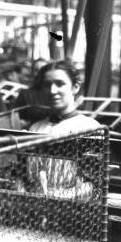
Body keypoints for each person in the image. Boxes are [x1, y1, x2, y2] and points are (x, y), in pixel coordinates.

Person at [26, 60, 105, 199]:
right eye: (47, 85)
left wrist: (59, 197)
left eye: (60, 84)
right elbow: (27, 176)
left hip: (75, 208)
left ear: (75, 87)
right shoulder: (36, 128)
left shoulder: (90, 128)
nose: (52, 90)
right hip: (35, 206)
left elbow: (95, 184)